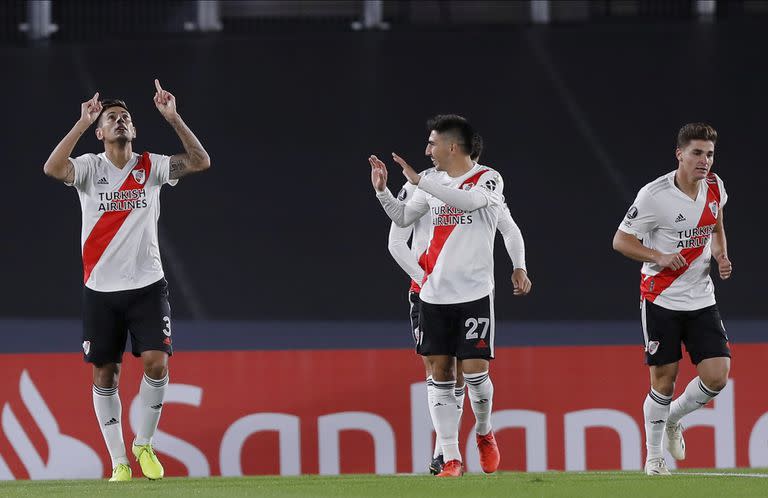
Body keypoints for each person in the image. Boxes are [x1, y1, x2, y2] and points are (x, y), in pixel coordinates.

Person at [42, 80, 211, 481]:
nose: (121, 121)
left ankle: (144, 443)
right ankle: (119, 461)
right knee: (105, 374)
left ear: (133, 131)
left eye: (126, 118)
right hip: (100, 290)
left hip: (148, 286)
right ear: (101, 132)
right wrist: (81, 123)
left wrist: (173, 117)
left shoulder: (150, 166)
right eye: (111, 118)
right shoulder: (87, 167)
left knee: (156, 362)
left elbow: (200, 161)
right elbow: (52, 168)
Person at [371, 114, 517, 477]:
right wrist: (383, 191)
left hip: (474, 293)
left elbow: (472, 207)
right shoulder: (428, 182)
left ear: (453, 147)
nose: (426, 150)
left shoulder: (488, 178)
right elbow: (402, 222)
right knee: (439, 372)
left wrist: (520, 265)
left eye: (432, 143)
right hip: (432, 293)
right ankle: (449, 456)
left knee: (475, 377)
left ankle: (483, 432)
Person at [612, 123, 732, 476]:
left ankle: (673, 419)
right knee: (663, 380)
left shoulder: (715, 186)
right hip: (661, 298)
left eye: (709, 154)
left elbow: (716, 223)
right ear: (679, 154)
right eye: (696, 153)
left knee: (718, 376)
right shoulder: (654, 195)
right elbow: (620, 241)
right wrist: (658, 256)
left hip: (701, 299)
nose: (704, 161)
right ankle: (653, 458)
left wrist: (721, 254)